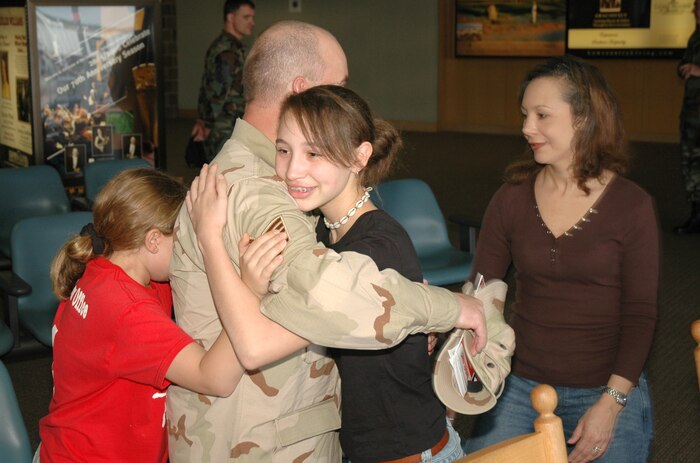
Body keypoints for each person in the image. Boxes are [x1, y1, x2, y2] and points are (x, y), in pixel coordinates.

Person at [167, 20, 486, 463]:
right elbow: (330, 293)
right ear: (304, 90)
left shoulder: (248, 173)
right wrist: (453, 307)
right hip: (264, 440)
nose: (348, 100)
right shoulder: (261, 192)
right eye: (340, 86)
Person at [461, 56, 658, 463]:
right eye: (524, 115)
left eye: (542, 115)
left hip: (606, 386)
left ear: (583, 118)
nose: (526, 128)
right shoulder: (511, 198)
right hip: (520, 385)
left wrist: (611, 403)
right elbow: (481, 294)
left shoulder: (632, 206)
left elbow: (641, 315)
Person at [37, 168, 246, 462]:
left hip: (68, 447)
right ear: (153, 241)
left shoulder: (103, 269)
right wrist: (249, 291)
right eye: (182, 238)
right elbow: (215, 378)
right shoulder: (126, 310)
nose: (187, 248)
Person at [191, 0, 256, 163]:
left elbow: (205, 86)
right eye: (246, 17)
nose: (252, 22)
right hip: (225, 127)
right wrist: (206, 124)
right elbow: (216, 94)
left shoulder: (230, 46)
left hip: (229, 124)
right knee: (224, 174)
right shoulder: (227, 52)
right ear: (230, 17)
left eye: (252, 17)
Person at [675, 1, 700, 234]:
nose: (694, 11)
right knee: (691, 163)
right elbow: (687, 63)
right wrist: (684, 67)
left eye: (698, 7)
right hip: (692, 114)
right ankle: (697, 214)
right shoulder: (696, 35)